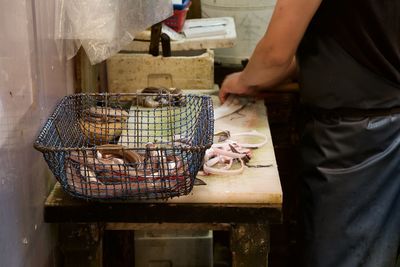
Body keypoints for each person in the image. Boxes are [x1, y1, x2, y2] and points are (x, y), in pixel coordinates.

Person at [219, 0, 400, 266]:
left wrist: (245, 80)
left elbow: (275, 55)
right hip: (380, 123)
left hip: (356, 142)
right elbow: (357, 35)